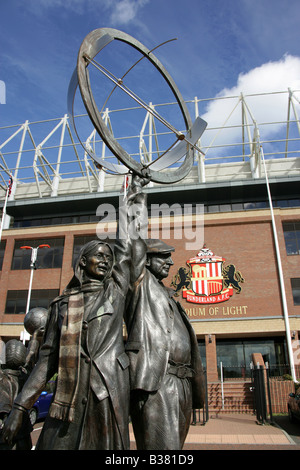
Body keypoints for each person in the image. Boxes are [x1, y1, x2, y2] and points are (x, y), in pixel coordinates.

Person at [2, 174, 147, 450]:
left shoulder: (114, 292)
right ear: (83, 262)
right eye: (99, 255)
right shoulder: (62, 305)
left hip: (106, 393)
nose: (106, 260)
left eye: (108, 257)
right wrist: (20, 408)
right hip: (66, 402)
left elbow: (127, 248)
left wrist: (135, 200)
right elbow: (46, 361)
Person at [125, 235, 206, 450]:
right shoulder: (140, 285)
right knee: (163, 450)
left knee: (174, 448)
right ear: (145, 261)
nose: (170, 262)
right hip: (158, 380)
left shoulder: (169, 295)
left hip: (183, 384)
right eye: (163, 257)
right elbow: (129, 247)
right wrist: (136, 204)